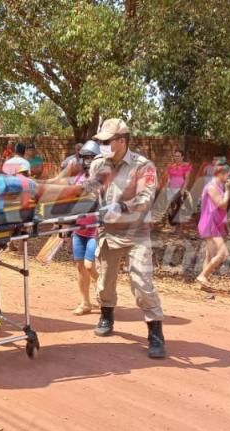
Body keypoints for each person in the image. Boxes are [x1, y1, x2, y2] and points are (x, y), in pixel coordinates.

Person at [88, 118, 166, 359]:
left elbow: (145, 199)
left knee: (142, 282)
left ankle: (155, 333)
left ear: (121, 141)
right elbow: (91, 192)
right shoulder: (98, 163)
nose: (102, 145)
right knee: (105, 280)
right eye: (100, 142)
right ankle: (107, 315)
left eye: (107, 141)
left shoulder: (143, 166)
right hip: (107, 232)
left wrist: (120, 207)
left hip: (135, 233)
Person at [70, 141, 100, 315]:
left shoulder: (101, 179)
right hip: (79, 228)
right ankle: (85, 302)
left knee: (89, 266)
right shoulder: (78, 178)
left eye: (91, 157)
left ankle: (102, 288)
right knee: (80, 266)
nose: (88, 161)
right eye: (85, 157)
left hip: (95, 228)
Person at [195, 164, 230, 289]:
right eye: (227, 174)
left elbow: (221, 211)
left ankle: (203, 284)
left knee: (209, 255)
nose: (228, 176)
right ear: (220, 174)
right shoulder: (211, 187)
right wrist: (228, 190)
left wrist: (227, 226)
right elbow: (222, 205)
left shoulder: (218, 187)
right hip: (210, 223)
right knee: (223, 254)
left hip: (215, 223)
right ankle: (202, 276)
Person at [163, 150, 193, 233]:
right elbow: (169, 179)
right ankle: (173, 226)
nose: (177, 158)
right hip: (171, 190)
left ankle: (180, 228)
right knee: (172, 208)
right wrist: (165, 188)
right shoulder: (171, 166)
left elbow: (187, 179)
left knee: (180, 208)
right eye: (175, 156)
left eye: (179, 156)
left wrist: (183, 190)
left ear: (182, 157)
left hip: (180, 189)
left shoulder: (186, 166)